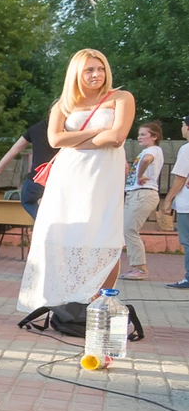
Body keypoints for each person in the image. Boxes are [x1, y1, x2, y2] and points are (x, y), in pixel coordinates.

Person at [18, 50, 135, 312]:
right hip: (68, 176)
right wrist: (98, 131)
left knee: (105, 237)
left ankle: (99, 303)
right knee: (64, 235)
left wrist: (75, 140)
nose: (96, 74)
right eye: (89, 70)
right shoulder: (63, 104)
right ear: (76, 74)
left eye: (100, 68)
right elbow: (54, 140)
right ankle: (63, 304)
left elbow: (117, 137)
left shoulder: (121, 97)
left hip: (103, 175)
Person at [0, 120, 57, 220]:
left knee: (28, 201)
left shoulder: (35, 128)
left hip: (37, 179)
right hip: (59, 180)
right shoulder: (67, 131)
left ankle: (43, 220)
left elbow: (13, 151)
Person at [121, 120, 163, 281]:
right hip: (136, 194)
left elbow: (146, 160)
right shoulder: (147, 150)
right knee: (127, 229)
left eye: (143, 134)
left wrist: (140, 176)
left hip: (143, 194)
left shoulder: (153, 150)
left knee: (130, 230)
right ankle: (137, 267)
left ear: (154, 136)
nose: (139, 137)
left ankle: (140, 268)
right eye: (139, 134)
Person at [163, 116, 189, 290]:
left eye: (183, 124)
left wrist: (168, 199)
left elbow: (180, 177)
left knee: (187, 241)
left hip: (187, 204)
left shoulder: (186, 149)